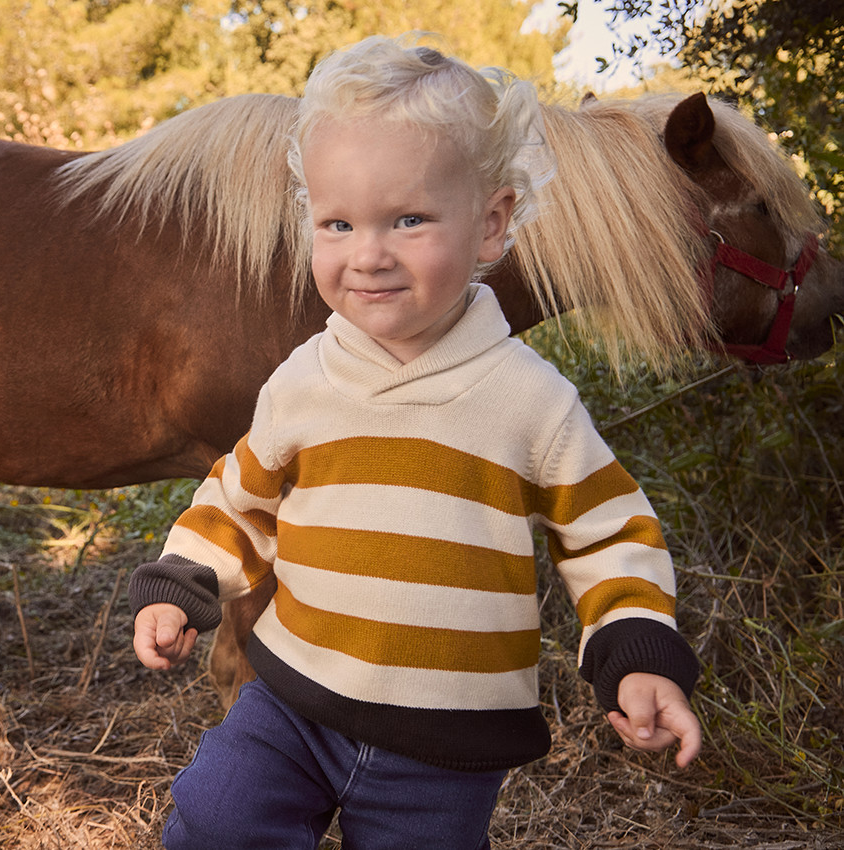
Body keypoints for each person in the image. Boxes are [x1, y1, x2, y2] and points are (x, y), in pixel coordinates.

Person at [129, 34, 702, 850]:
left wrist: (636, 649)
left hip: (445, 741)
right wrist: (184, 578)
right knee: (217, 817)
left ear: (491, 224)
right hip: (291, 697)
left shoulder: (529, 401)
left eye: (409, 218)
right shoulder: (303, 378)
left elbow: (608, 530)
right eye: (338, 222)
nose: (369, 254)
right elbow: (240, 496)